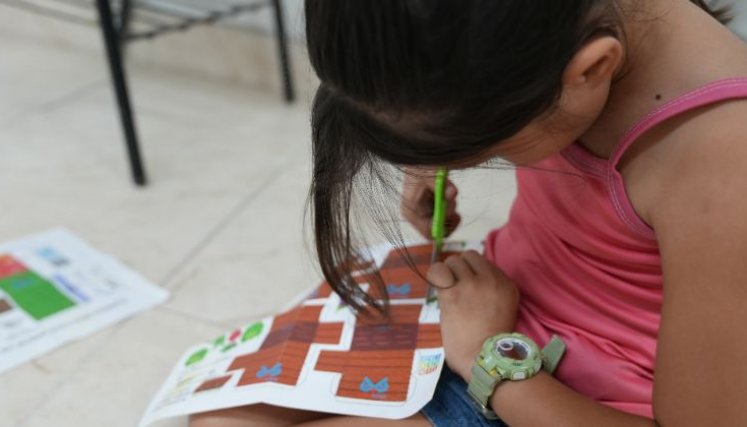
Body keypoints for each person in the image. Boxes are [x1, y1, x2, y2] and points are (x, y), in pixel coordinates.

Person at [191, 0, 747, 425]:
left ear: (590, 69)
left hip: (567, 394)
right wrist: (432, 149)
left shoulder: (723, 174)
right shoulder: (569, 29)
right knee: (221, 416)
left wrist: (492, 362)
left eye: (487, 149)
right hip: (490, 310)